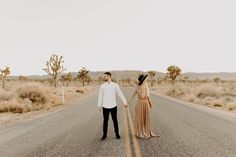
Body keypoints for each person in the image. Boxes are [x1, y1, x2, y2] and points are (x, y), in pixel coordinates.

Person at [98, 72, 128, 140]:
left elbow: (120, 94)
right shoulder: (102, 86)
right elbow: (100, 96)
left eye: (105, 76)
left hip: (113, 106)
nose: (104, 77)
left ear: (109, 76)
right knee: (105, 121)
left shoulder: (115, 85)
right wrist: (99, 105)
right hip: (105, 106)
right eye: (104, 76)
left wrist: (125, 102)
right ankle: (104, 135)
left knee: (115, 120)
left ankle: (117, 134)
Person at [127, 74, 157, 138]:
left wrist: (127, 103)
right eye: (146, 78)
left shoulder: (137, 86)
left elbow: (133, 95)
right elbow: (148, 96)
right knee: (145, 117)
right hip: (145, 103)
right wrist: (150, 103)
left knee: (140, 118)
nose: (147, 79)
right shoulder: (145, 85)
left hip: (140, 103)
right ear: (143, 79)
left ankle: (139, 132)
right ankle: (145, 132)